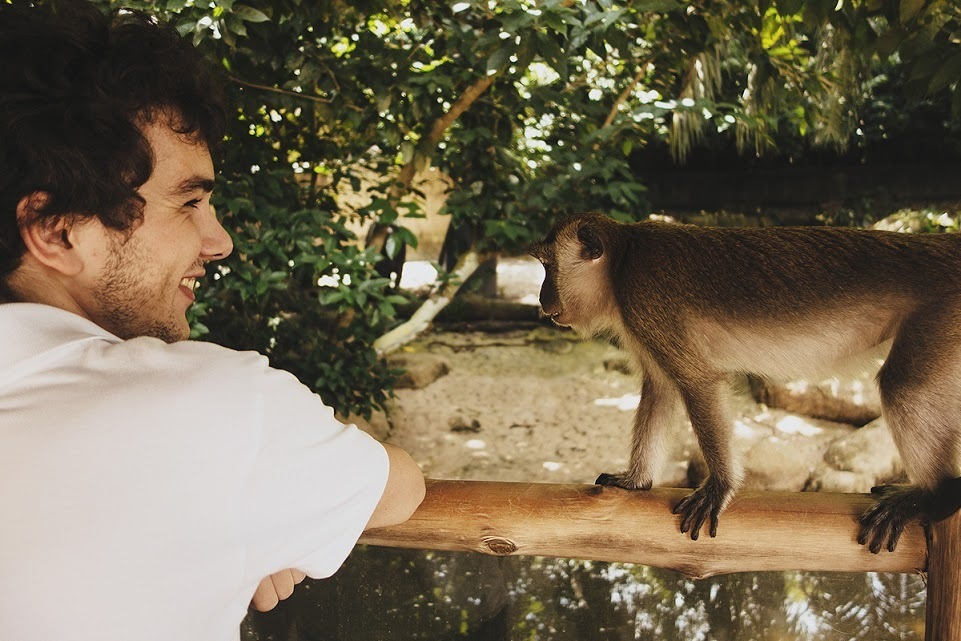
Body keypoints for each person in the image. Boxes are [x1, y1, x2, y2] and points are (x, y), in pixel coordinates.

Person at [0, 2, 426, 640]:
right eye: (189, 202)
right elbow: (401, 487)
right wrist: (250, 507)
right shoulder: (215, 409)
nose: (219, 240)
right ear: (58, 231)